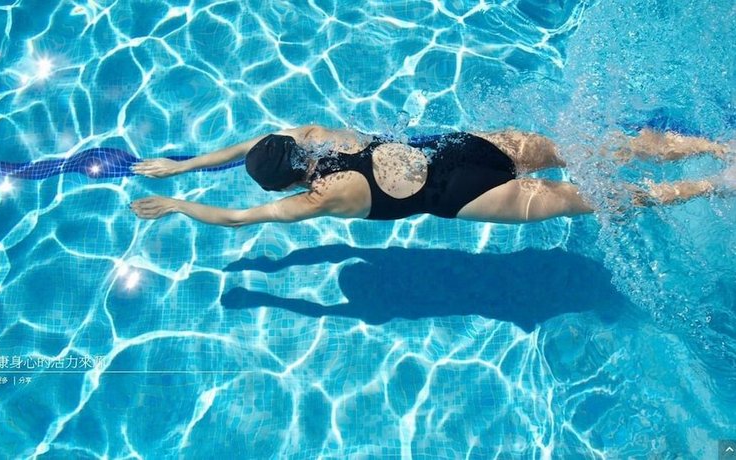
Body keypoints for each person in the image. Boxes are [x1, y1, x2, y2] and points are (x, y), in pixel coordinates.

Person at [129, 126, 731, 226]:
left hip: (465, 194)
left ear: (285, 184)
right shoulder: (317, 135)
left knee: (606, 200)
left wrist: (179, 201)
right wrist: (187, 163)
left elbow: (237, 219)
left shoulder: (316, 201)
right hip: (466, 146)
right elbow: (253, 143)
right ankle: (716, 147)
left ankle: (718, 183)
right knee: (599, 147)